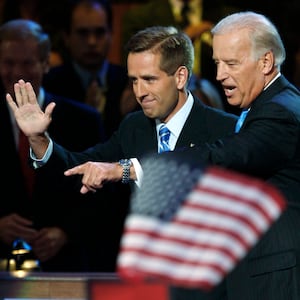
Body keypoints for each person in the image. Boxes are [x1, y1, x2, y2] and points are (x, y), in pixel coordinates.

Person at [6, 25, 238, 271]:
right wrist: (38, 139)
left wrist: (124, 169)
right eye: (133, 81)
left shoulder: (225, 129)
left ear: (180, 77)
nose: (139, 92)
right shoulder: (134, 126)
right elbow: (80, 166)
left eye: (149, 79)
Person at [140, 11, 300, 300]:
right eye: (217, 63)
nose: (219, 75)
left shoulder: (280, 113)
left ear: (265, 62)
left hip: (272, 283)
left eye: (232, 64)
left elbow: (226, 158)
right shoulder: (268, 105)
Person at [0, 19, 107, 272]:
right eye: (8, 63)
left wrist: (65, 232)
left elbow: (103, 197)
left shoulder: (84, 121)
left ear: (46, 63)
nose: (17, 72)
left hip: (64, 267)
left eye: (27, 63)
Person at [121, 0, 241, 114]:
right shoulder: (139, 18)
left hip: (221, 110)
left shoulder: (230, 17)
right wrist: (184, 37)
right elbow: (133, 74)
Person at [42, 0, 135, 140]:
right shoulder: (50, 85)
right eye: (82, 33)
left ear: (111, 35)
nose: (91, 42)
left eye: (99, 32)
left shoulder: (129, 82)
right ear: (66, 37)